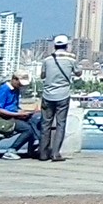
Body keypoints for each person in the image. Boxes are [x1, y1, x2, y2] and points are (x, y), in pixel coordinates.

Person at [36, 34, 82, 162]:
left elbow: (42, 76)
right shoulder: (71, 59)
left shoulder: (47, 60)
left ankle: (43, 153)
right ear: (66, 46)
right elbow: (78, 73)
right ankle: (56, 153)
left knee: (45, 124)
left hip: (47, 95)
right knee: (60, 124)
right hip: (63, 95)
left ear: (54, 46)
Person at [0, 71, 40, 161]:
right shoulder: (4, 89)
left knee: (35, 121)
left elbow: (14, 107)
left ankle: (34, 146)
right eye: (20, 84)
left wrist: (26, 112)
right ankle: (11, 150)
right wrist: (18, 114)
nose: (21, 86)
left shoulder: (16, 90)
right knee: (28, 130)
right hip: (3, 119)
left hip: (13, 116)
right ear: (14, 79)